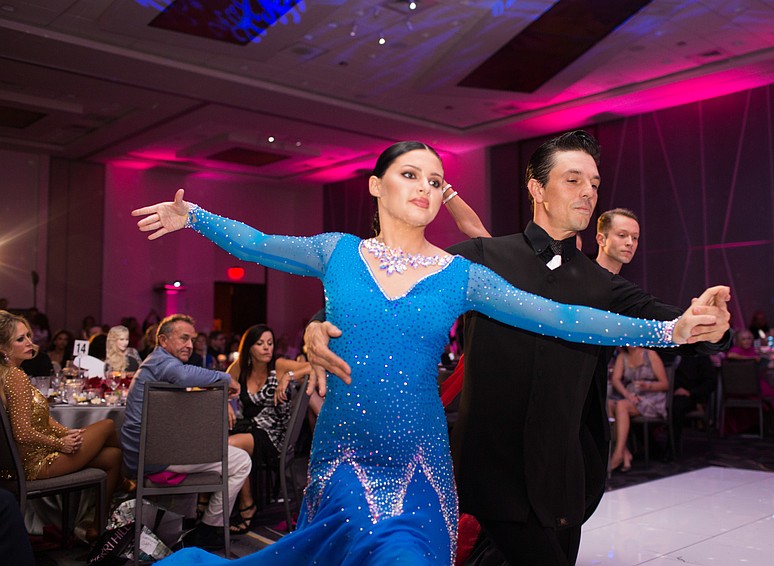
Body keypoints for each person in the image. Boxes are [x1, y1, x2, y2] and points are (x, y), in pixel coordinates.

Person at [131, 140, 727, 565]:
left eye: (435, 180)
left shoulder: (458, 274)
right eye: (411, 174)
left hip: (419, 466)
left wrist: (670, 332)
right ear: (375, 184)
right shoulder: (336, 252)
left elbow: (564, 318)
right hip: (341, 459)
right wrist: (193, 217)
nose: (425, 187)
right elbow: (260, 243)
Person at [304, 132, 731, 565]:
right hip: (490, 473)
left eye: (595, 184)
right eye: (573, 180)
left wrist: (709, 326)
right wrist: (319, 325)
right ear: (536, 188)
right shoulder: (482, 259)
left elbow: (673, 324)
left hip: (564, 477)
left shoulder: (603, 284)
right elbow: (391, 290)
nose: (588, 192)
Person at [119, 314, 251, 551]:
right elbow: (181, 376)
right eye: (184, 338)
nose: (190, 345)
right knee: (241, 461)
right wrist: (225, 377)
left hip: (149, 453)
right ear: (162, 340)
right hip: (152, 456)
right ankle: (209, 529)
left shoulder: (158, 364)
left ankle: (197, 527)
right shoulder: (161, 362)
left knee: (228, 453)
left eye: (193, 339)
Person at [0, 311, 125, 505]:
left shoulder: (11, 373)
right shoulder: (15, 378)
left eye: (28, 336)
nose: (28, 342)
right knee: (108, 424)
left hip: (26, 460)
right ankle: (122, 484)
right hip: (34, 463)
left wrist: (67, 432)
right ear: (3, 348)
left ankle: (97, 526)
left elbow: (41, 419)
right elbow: (22, 433)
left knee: (113, 457)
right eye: (19, 339)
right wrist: (60, 444)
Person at [224, 324, 311, 535]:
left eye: (270, 343)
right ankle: (211, 506)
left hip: (274, 435)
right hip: (250, 430)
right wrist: (225, 402)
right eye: (260, 343)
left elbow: (315, 365)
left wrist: (288, 376)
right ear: (249, 348)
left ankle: (247, 506)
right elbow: (222, 385)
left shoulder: (278, 365)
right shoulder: (239, 368)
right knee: (216, 441)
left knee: (229, 447)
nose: (266, 348)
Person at [607, 346, 669, 472]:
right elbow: (615, 380)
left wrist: (648, 386)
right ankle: (625, 454)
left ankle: (618, 454)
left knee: (621, 405)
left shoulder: (650, 354)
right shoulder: (622, 356)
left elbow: (665, 384)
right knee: (609, 404)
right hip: (631, 397)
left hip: (651, 398)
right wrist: (628, 395)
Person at [595, 208, 639, 275]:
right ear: (601, 239)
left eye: (634, 238)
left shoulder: (625, 284)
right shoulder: (581, 278)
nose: (630, 243)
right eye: (622, 235)